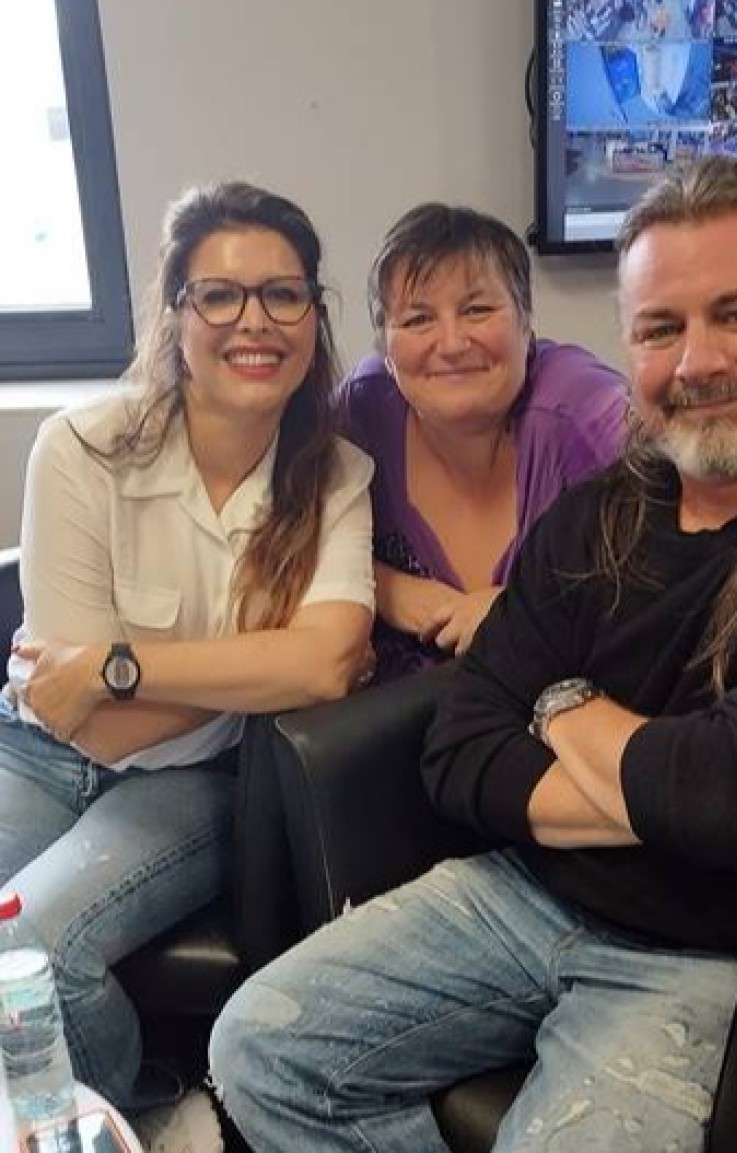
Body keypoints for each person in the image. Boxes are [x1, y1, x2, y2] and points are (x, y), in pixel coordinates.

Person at [209, 154, 737, 1153]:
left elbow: (735, 794)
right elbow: (461, 743)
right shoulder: (605, 510)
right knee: (258, 1047)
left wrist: (558, 704)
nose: (695, 362)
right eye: (659, 328)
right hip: (522, 892)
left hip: (710, 951)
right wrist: (662, 794)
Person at [0, 182, 374, 1125]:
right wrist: (260, 665)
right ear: (175, 314)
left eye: (283, 294)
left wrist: (116, 668)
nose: (255, 321)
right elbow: (74, 717)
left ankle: (137, 1114)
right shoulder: (80, 449)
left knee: (29, 946)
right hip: (37, 753)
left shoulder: (333, 476)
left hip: (195, 778)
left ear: (314, 314)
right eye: (219, 295)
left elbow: (324, 666)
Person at [339, 203, 627, 681]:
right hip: (398, 716)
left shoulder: (586, 412)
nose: (452, 344)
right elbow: (279, 542)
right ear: (385, 350)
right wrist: (383, 586)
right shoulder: (362, 409)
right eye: (417, 320)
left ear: (526, 323)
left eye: (477, 310)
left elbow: (687, 565)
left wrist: (525, 609)